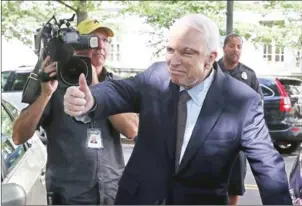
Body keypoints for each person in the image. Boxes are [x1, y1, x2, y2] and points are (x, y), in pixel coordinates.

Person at [63, 14, 291, 205]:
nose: (173, 60)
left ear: (210, 58)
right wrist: (91, 99)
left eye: (187, 52)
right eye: (170, 49)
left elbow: (268, 167)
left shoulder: (242, 102)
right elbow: (119, 90)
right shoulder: (156, 76)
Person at [12, 19, 139, 205]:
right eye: (94, 40)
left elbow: (132, 130)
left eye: (106, 40)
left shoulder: (116, 84)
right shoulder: (55, 83)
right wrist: (45, 94)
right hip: (69, 197)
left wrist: (98, 87)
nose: (101, 46)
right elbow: (18, 136)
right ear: (77, 44)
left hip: (112, 193)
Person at [217, 33, 264, 205]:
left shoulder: (248, 75)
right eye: (232, 46)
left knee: (234, 185)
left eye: (239, 46)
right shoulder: (211, 70)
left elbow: (258, 105)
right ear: (224, 48)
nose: (236, 50)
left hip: (237, 141)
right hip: (211, 139)